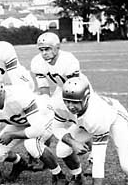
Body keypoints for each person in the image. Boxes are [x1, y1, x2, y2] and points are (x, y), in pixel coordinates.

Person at [0, 70, 68, 185]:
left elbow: (37, 128)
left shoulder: (18, 96)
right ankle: (12, 167)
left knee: (32, 145)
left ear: (1, 87)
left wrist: (13, 135)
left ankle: (59, 175)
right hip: (18, 123)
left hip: (43, 116)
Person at [30, 31, 87, 172]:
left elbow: (73, 86)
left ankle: (92, 156)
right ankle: (42, 149)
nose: (44, 53)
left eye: (47, 49)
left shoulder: (68, 60)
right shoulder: (37, 62)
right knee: (45, 113)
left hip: (78, 88)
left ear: (57, 47)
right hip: (61, 89)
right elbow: (44, 88)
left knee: (82, 122)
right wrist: (46, 104)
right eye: (41, 49)